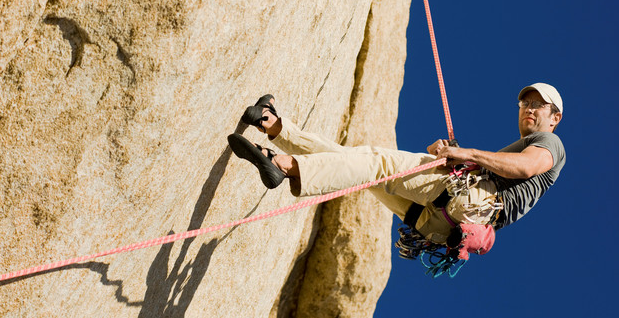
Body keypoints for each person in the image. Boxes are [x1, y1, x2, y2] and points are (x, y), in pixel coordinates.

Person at [227, 83, 566, 247]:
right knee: (362, 169)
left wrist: (469, 155)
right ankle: (273, 125)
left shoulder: (550, 144)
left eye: (539, 105)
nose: (529, 108)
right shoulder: (525, 146)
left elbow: (524, 168)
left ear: (555, 118)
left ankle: (283, 164)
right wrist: (451, 152)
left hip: (470, 201)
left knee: (375, 162)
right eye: (525, 102)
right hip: (440, 226)